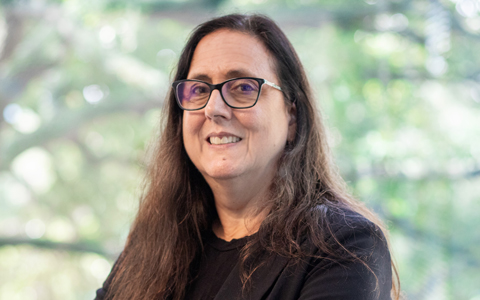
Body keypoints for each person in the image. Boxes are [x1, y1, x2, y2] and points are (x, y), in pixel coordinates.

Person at [95, 13, 400, 300]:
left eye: (242, 87)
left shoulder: (345, 246)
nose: (213, 108)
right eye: (199, 90)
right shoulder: (153, 243)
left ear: (291, 116)